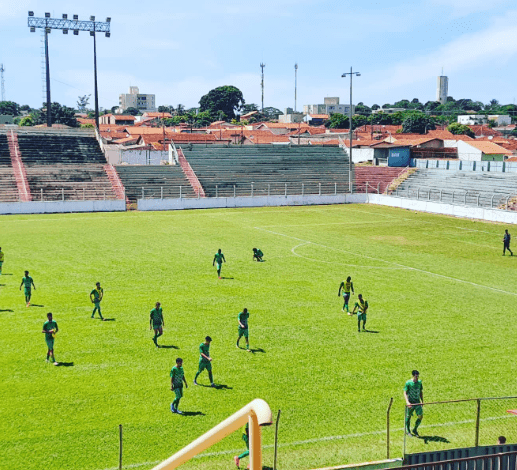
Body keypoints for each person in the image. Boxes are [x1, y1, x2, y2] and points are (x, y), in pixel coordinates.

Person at [404, 370, 424, 437]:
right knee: (408, 416)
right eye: (415, 376)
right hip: (411, 402)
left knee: (420, 416)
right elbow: (405, 392)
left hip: (417, 402)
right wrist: (407, 402)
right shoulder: (408, 383)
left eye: (418, 376)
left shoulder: (419, 382)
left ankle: (415, 429)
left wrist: (422, 401)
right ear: (413, 376)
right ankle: (408, 431)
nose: (417, 377)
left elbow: (421, 391)